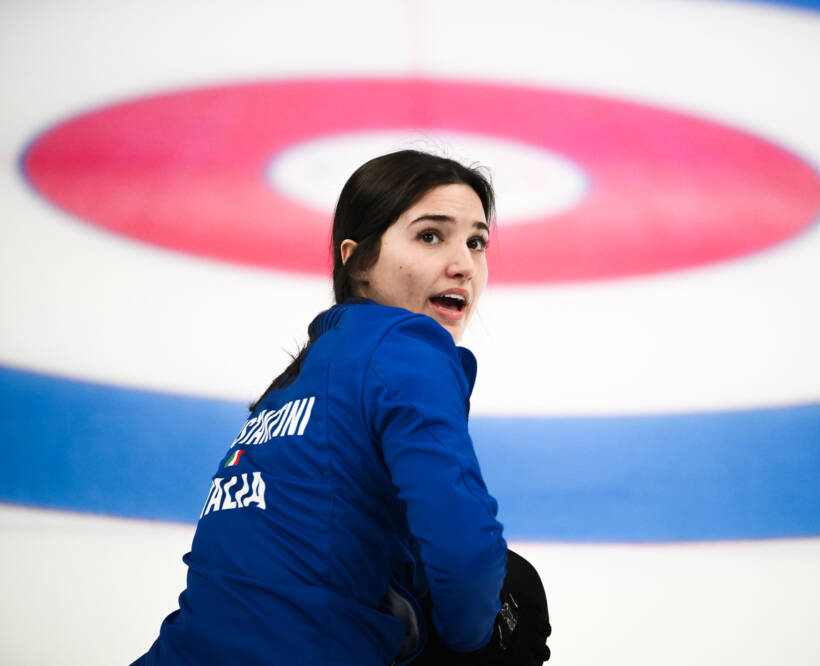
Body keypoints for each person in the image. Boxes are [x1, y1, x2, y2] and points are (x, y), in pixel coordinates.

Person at [132, 150, 550, 665]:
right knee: (515, 592)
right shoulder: (406, 346)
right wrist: (468, 643)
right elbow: (466, 557)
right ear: (359, 262)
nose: (464, 264)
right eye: (430, 236)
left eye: (476, 241)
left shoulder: (294, 383)